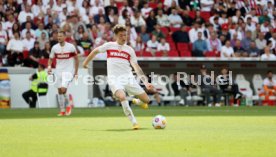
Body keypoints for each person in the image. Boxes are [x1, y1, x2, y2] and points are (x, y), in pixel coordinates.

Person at [83, 24, 153, 130]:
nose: (124, 37)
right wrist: (85, 63)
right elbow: (95, 51)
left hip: (128, 78)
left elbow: (136, 67)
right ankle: (134, 122)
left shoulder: (129, 50)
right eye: (121, 35)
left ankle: (137, 101)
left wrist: (146, 82)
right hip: (114, 79)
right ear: (116, 35)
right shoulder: (109, 45)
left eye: (125, 35)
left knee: (147, 100)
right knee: (122, 96)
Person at [48, 31, 79, 116]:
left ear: (65, 37)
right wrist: (49, 67)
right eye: (58, 36)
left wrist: (76, 71)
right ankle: (62, 110)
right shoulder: (54, 48)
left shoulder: (71, 47)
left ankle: (68, 105)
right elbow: (50, 59)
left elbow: (76, 59)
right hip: (58, 70)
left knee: (63, 89)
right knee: (59, 90)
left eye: (61, 36)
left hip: (68, 70)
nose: (59, 38)